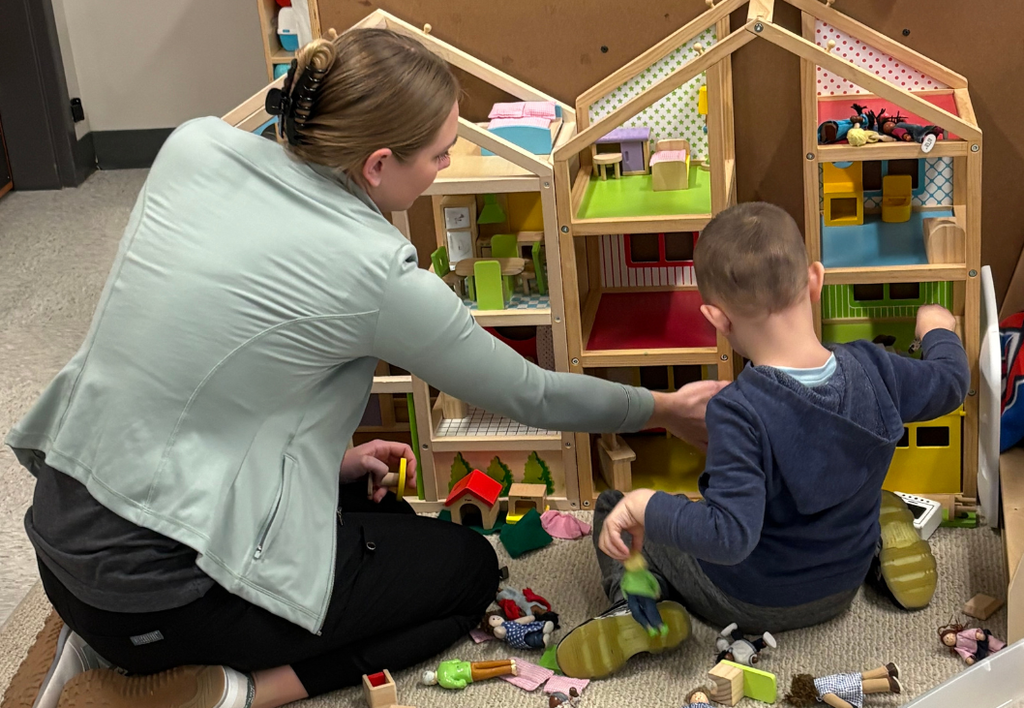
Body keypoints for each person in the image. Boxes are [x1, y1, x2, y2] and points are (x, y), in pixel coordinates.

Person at [5, 27, 723, 708]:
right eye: (439, 154)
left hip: (64, 552)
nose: (446, 167)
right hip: (159, 604)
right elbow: (530, 393)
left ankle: (131, 645)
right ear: (378, 165)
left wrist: (330, 463)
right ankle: (230, 691)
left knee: (377, 509)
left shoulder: (194, 146)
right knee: (467, 572)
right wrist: (664, 409)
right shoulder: (373, 270)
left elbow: (203, 374)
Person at [556, 202, 970, 679]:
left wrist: (645, 504)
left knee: (616, 506)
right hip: (840, 586)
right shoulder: (878, 369)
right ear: (815, 280)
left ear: (717, 318)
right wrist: (937, 329)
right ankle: (880, 545)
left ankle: (632, 607)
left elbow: (728, 537)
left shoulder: (738, 411)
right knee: (871, 496)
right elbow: (951, 382)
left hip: (749, 600)